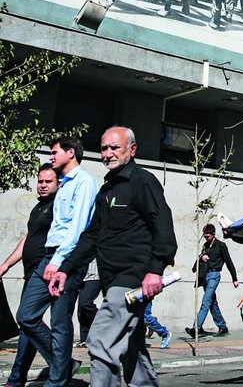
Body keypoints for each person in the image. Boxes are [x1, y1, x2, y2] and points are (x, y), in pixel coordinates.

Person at [48, 126, 178, 387]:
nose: (107, 153)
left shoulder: (143, 181)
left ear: (132, 149)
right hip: (111, 279)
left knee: (100, 340)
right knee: (132, 346)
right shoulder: (107, 189)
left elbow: (163, 225)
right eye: (104, 148)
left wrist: (156, 269)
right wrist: (65, 267)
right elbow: (91, 236)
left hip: (131, 278)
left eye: (114, 147)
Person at [16, 137, 98, 387]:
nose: (51, 157)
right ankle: (62, 364)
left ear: (70, 153)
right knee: (26, 315)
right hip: (48, 257)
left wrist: (60, 261)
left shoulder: (85, 182)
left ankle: (56, 381)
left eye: (55, 152)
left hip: (66, 260)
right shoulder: (63, 185)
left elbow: (78, 226)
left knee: (60, 321)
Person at [0, 163, 59, 387]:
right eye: (40, 181)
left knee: (27, 319)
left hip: (46, 271)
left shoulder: (57, 206)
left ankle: (58, 361)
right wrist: (5, 265)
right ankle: (18, 378)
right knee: (28, 324)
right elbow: (28, 239)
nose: (42, 186)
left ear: (58, 183)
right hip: (30, 272)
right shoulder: (38, 208)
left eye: (48, 182)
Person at [186, 223, 239, 337]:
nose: (206, 238)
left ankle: (196, 328)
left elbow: (229, 262)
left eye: (208, 236)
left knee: (205, 301)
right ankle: (222, 326)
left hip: (214, 275)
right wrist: (201, 258)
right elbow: (199, 259)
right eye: (205, 236)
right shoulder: (205, 246)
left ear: (213, 234)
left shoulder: (221, 246)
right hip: (205, 275)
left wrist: (234, 278)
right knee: (212, 303)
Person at [76, 259, 102, 347]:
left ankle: (104, 320)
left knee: (85, 303)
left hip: (95, 275)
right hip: (82, 276)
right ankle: (85, 339)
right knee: (81, 309)